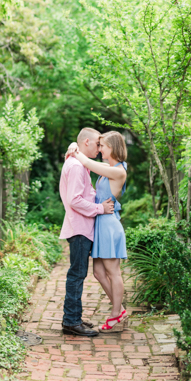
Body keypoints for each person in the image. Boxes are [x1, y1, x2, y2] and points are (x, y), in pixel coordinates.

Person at [66, 130, 128, 332]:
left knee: (113, 272)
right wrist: (74, 147)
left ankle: (115, 313)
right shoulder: (109, 167)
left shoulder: (119, 171)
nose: (100, 149)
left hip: (109, 224)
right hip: (100, 222)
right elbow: (88, 164)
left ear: (113, 148)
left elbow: (88, 164)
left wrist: (75, 150)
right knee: (99, 272)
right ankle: (120, 310)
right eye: (99, 145)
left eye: (103, 146)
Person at [59, 127, 114, 337]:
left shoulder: (79, 163)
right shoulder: (75, 167)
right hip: (80, 228)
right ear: (87, 142)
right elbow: (75, 200)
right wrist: (100, 208)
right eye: (98, 143)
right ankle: (71, 322)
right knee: (77, 275)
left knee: (78, 274)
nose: (100, 148)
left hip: (82, 227)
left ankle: (74, 317)